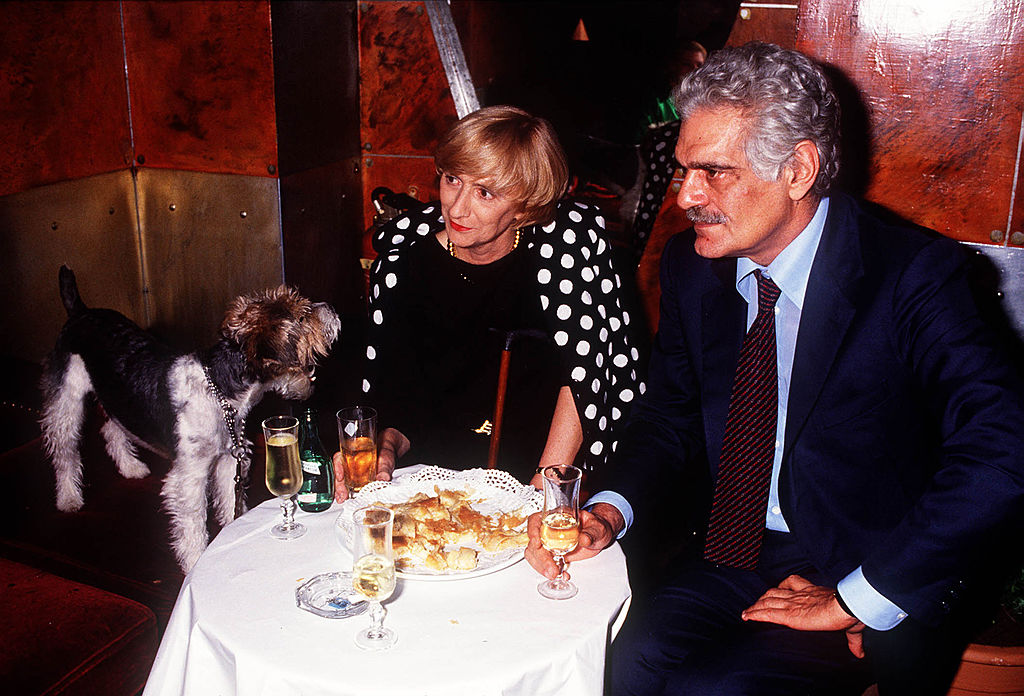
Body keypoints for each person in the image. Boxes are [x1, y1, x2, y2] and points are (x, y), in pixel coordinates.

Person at [526, 42, 1024, 695]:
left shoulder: (915, 276)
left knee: (713, 690)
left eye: (714, 172)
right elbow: (669, 416)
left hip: (867, 559)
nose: (686, 197)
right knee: (612, 663)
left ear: (798, 168)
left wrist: (857, 597)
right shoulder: (691, 267)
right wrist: (609, 511)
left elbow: (1004, 450)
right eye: (682, 170)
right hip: (731, 545)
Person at [333, 105, 643, 495]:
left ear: (526, 206)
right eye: (451, 179)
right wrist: (386, 449)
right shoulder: (405, 265)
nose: (457, 208)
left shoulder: (564, 252)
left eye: (485, 192)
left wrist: (544, 488)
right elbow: (399, 396)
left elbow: (584, 376)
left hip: (539, 465)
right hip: (432, 480)